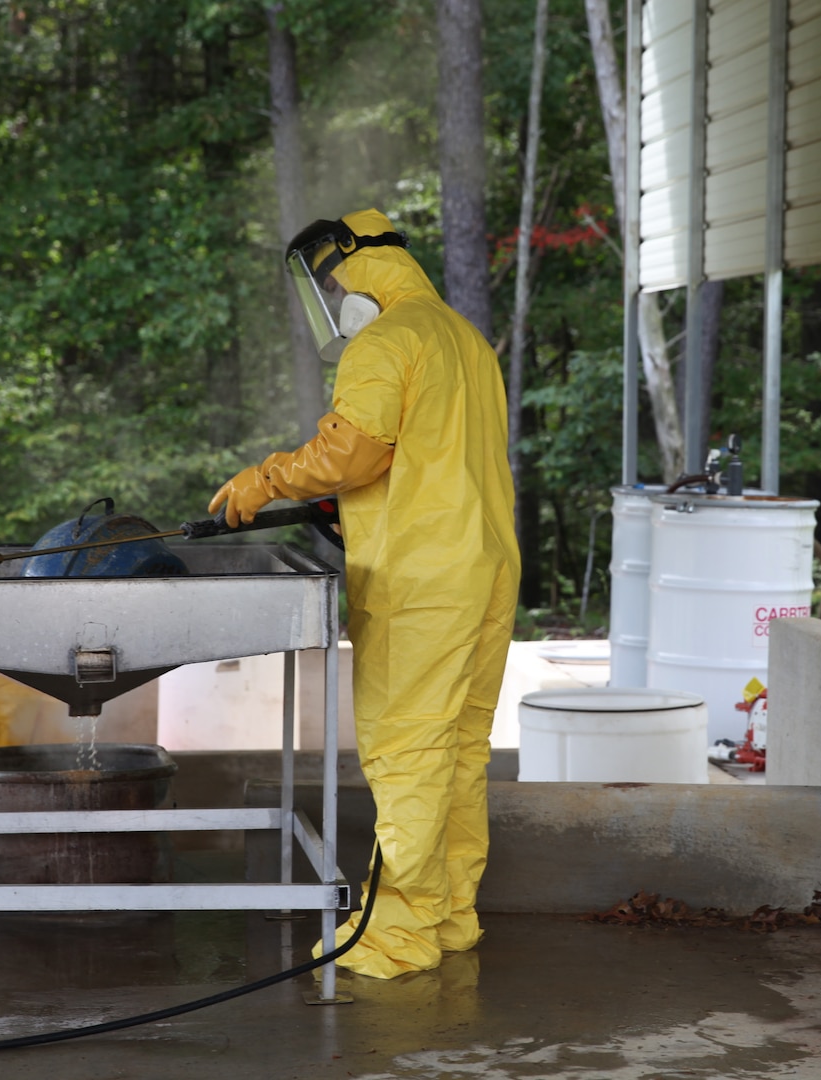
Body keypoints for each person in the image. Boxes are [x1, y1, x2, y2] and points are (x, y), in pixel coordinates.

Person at [210, 209, 520, 979]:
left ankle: (396, 935)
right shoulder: (465, 340)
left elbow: (353, 450)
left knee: (409, 749)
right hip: (483, 569)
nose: (334, 296)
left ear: (356, 273)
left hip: (422, 580)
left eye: (333, 281)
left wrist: (267, 478)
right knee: (456, 750)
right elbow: (422, 458)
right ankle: (448, 916)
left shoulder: (387, 341)